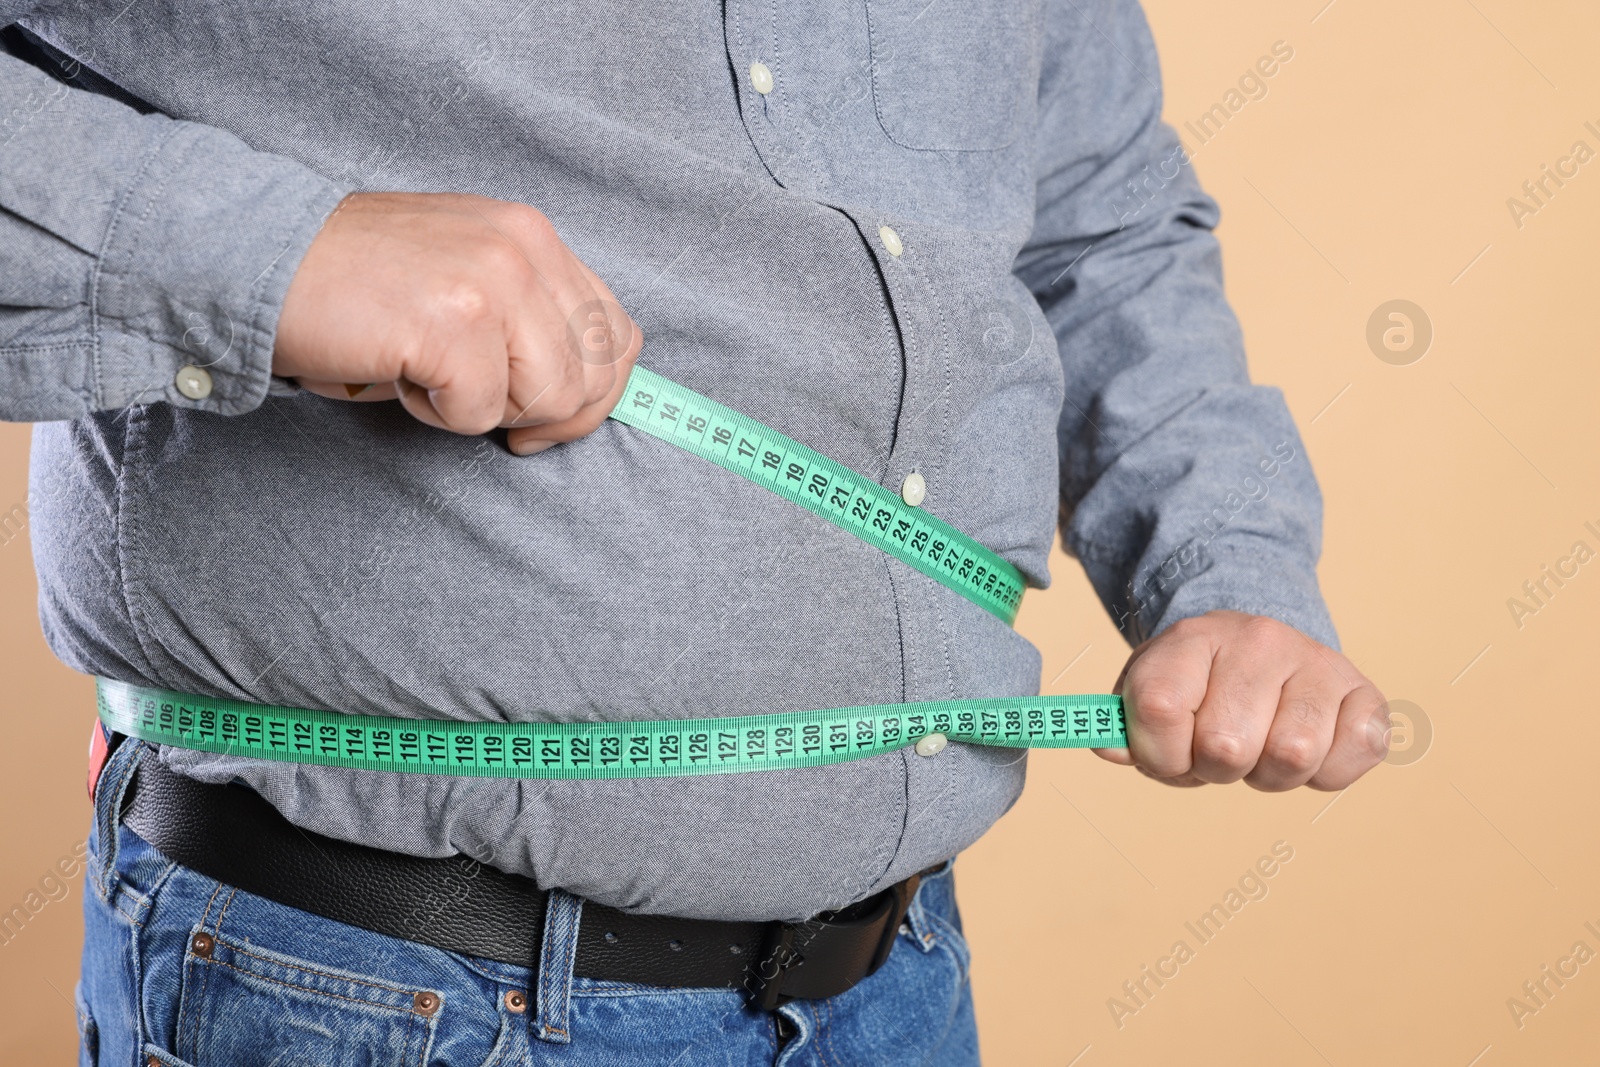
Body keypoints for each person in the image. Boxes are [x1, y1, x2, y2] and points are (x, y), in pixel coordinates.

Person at [0, 1, 1387, 1063]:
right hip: (379, 990)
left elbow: (1101, 224)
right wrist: (270, 252)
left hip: (895, 983)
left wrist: (1223, 566)